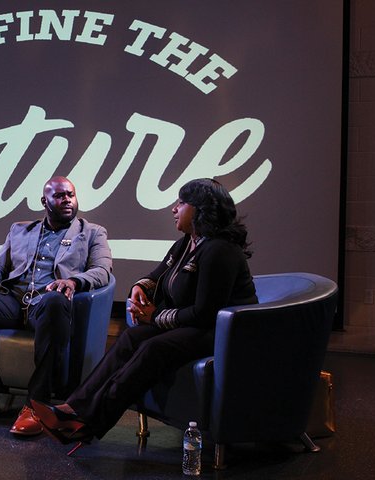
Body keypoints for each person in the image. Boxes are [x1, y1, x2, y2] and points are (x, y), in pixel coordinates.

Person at [28, 178, 258, 452]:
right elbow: (157, 275)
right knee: (130, 338)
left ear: (199, 209)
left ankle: (89, 424)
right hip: (194, 326)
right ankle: (73, 408)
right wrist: (139, 287)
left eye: (181, 203)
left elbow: (205, 313)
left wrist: (154, 317)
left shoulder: (220, 250)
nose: (174, 209)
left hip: (221, 333)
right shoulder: (188, 243)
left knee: (153, 347)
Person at [0, 176, 113, 437]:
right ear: (44, 201)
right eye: (59, 196)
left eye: (71, 194)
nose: (67, 199)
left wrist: (73, 281)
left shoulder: (91, 232)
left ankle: (37, 405)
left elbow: (102, 271)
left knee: (55, 300)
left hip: (48, 305)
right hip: (14, 300)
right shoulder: (20, 230)